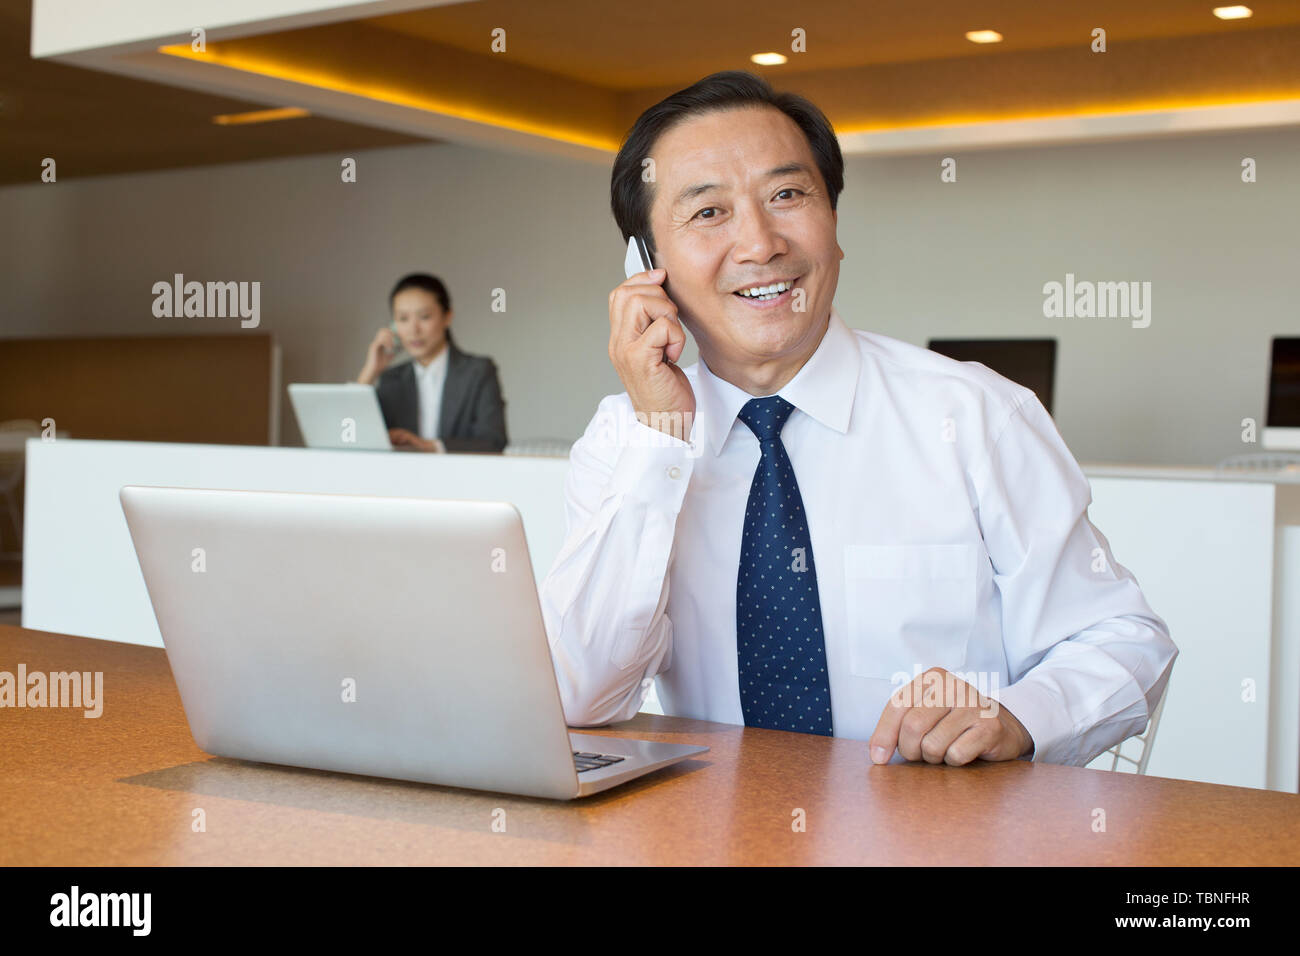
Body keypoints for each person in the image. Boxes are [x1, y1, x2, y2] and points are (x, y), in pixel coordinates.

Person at [539, 71, 1177, 767]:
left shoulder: (974, 415)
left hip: (936, 835)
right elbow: (581, 696)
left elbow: (1124, 637)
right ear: (646, 265)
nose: (759, 243)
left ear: (834, 222)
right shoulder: (623, 440)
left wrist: (1020, 716)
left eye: (787, 195)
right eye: (708, 212)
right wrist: (659, 438)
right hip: (708, 833)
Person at [356, 273, 508, 453]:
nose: (414, 330)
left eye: (424, 317)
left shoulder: (478, 371)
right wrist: (369, 372)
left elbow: (494, 441)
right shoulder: (391, 378)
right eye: (403, 319)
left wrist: (430, 446)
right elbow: (348, 435)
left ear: (447, 317)